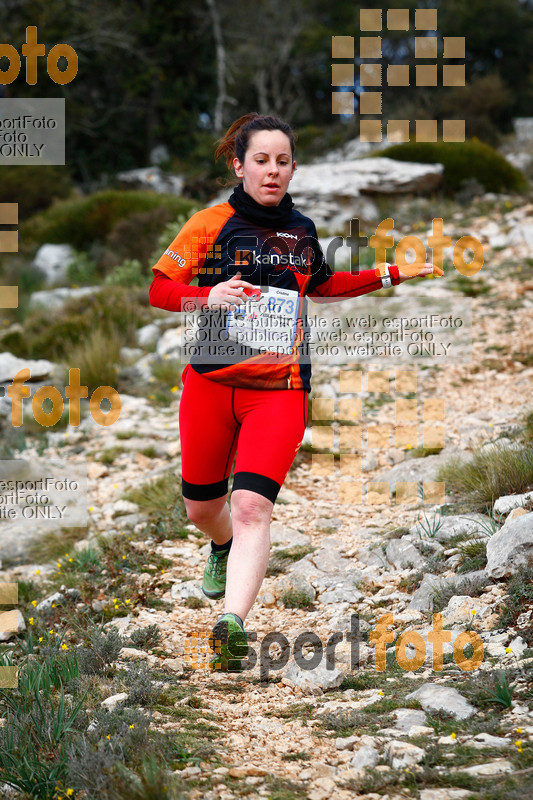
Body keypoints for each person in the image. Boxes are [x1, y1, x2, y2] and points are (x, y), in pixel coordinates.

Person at [149, 112, 440, 671]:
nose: (272, 170)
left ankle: (232, 623)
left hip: (281, 389)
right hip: (210, 384)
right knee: (202, 508)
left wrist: (390, 274)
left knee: (253, 505)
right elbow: (161, 289)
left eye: (283, 161)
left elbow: (324, 286)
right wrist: (207, 299)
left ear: (293, 167)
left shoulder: (302, 230)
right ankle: (220, 543)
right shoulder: (208, 224)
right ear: (239, 165)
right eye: (261, 160)